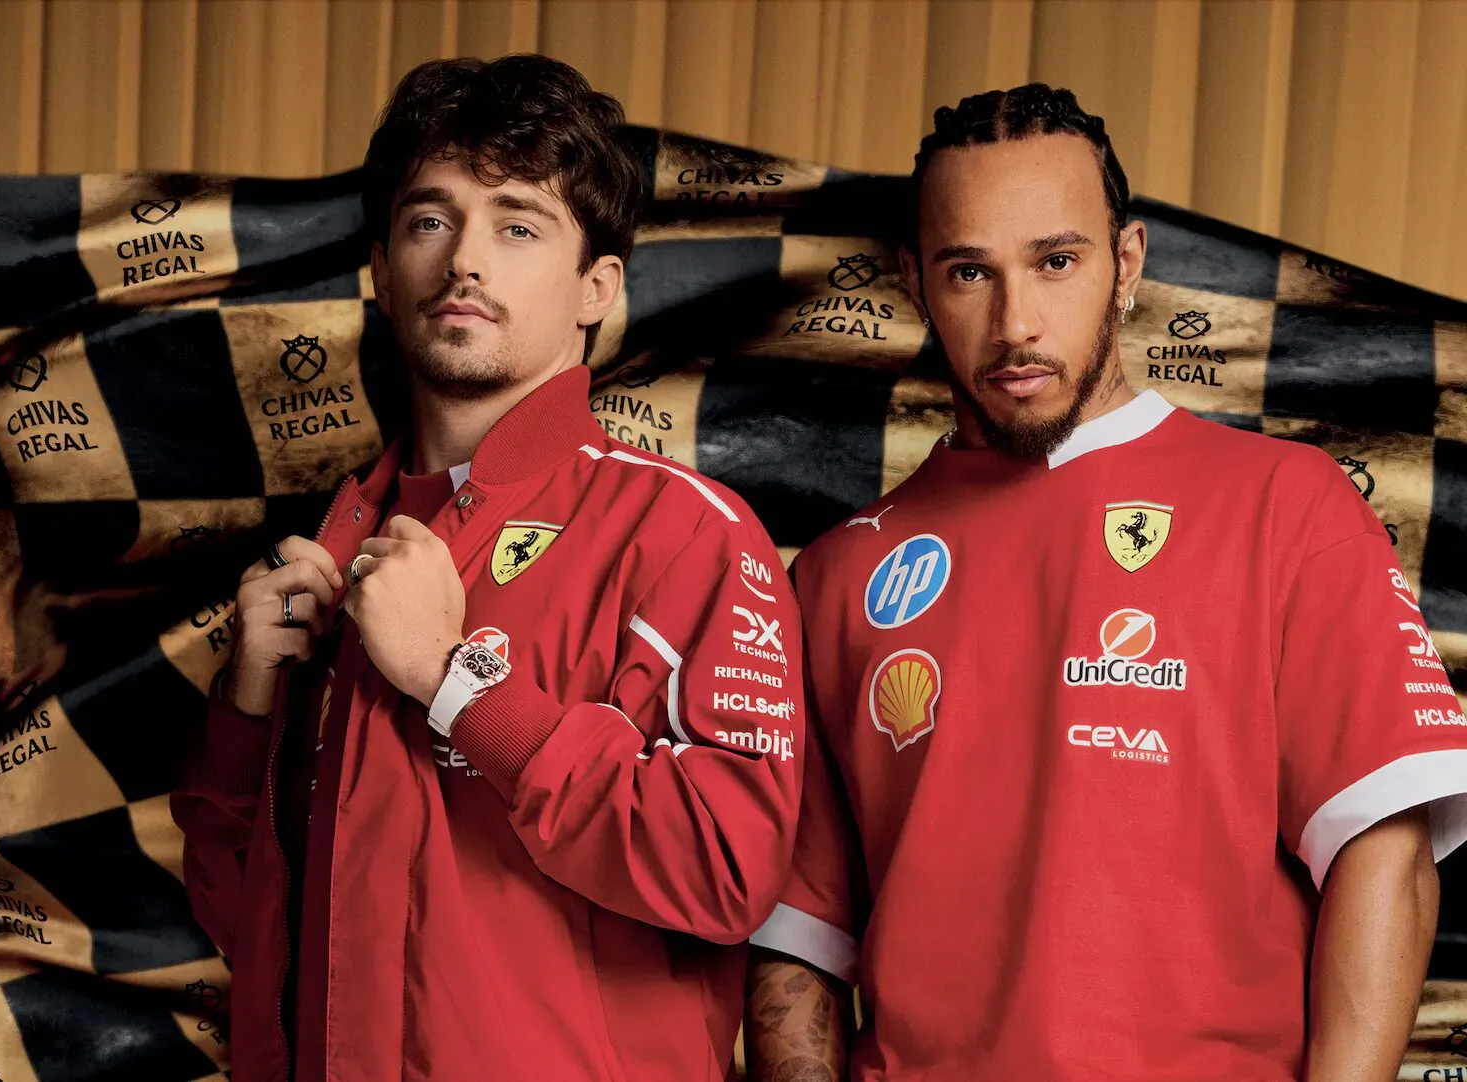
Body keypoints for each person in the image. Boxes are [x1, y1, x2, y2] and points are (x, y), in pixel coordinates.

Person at [743, 83, 1467, 1082]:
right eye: (969, 271)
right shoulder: (837, 574)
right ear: (915, 280)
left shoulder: (1284, 504)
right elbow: (798, 945)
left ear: (1125, 261)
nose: (1015, 322)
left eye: (1055, 261)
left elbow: (1383, 850)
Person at [171, 54, 805, 1082]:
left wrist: (459, 681)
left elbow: (727, 869)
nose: (466, 258)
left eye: (518, 224)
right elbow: (239, 906)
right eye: (432, 218)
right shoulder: (336, 550)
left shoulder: (685, 535)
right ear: (384, 268)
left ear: (598, 286)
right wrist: (248, 708)